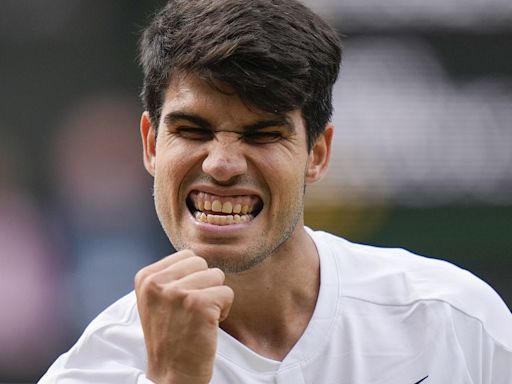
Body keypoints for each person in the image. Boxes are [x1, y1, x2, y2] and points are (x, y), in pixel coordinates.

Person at [39, 0, 512, 383]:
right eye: (192, 130)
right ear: (150, 144)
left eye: (262, 134)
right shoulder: (91, 372)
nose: (221, 165)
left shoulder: (453, 319)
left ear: (317, 154)